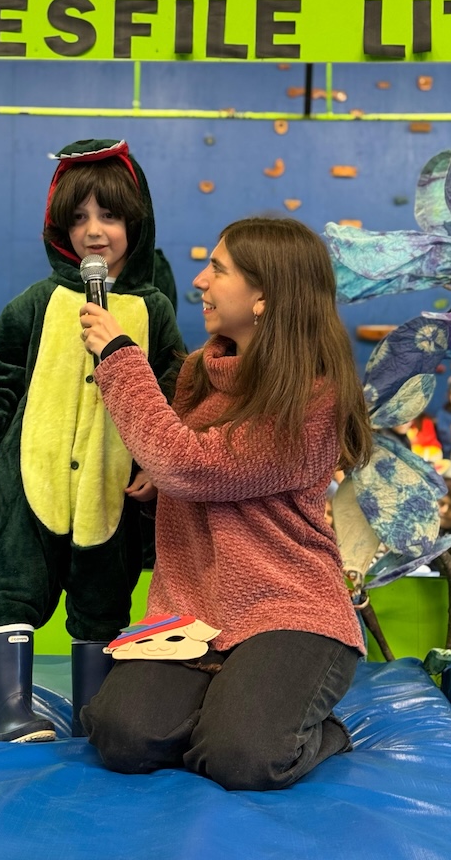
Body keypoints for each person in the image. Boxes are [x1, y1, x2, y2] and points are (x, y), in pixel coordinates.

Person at [78, 215, 372, 792]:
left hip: (288, 606)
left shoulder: (316, 395)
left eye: (218, 269)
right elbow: (194, 465)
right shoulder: (199, 372)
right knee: (121, 736)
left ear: (264, 296)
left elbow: (194, 464)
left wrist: (119, 356)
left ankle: (317, 730)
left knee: (243, 756)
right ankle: (230, 698)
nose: (201, 281)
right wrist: (160, 478)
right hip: (195, 610)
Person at [0, 138, 184, 744]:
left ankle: (94, 713)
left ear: (136, 222)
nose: (94, 231)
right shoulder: (38, 303)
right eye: (79, 218)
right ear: (60, 229)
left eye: (110, 216)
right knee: (12, 584)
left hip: (108, 482)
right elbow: (1, 376)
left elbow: (172, 391)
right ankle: (10, 711)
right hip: (30, 476)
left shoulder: (153, 310)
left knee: (103, 596)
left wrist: (156, 462)